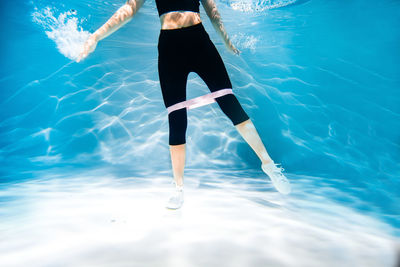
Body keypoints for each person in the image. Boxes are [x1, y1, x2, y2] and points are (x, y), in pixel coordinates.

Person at [77, 0, 291, 210]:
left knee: (229, 103)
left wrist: (225, 40)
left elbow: (212, 10)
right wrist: (96, 36)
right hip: (170, 48)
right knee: (177, 118)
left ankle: (269, 165)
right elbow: (130, 8)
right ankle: (178, 188)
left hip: (199, 42)